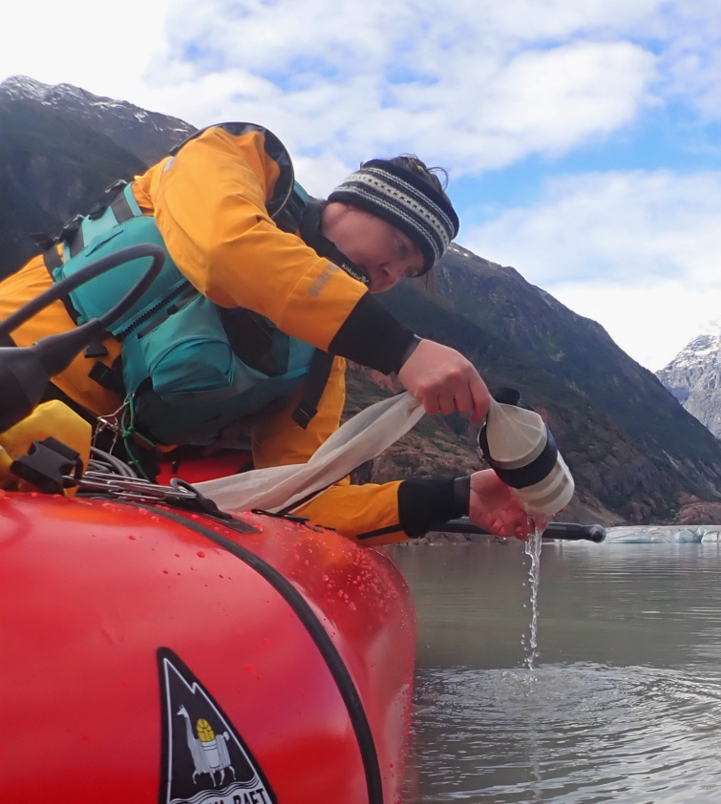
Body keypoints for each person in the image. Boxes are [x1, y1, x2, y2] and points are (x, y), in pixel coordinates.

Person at [0, 122, 537, 543]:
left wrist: (456, 496)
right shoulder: (237, 156)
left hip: (83, 472)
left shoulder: (324, 360)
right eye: (398, 248)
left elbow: (300, 498)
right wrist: (401, 349)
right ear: (349, 205)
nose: (390, 276)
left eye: (407, 273)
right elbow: (223, 251)